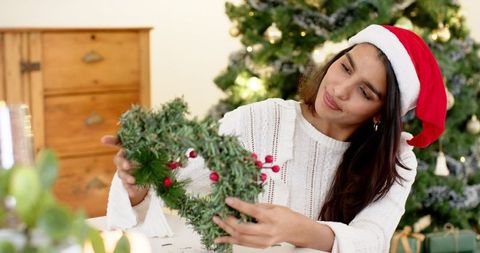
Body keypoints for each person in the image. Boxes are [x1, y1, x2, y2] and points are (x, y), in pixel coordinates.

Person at [101, 24, 447, 252]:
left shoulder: (396, 161)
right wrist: (138, 179)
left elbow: (373, 240)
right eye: (345, 66)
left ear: (379, 113)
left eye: (365, 92)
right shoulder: (260, 120)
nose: (339, 90)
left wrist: (298, 230)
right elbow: (174, 177)